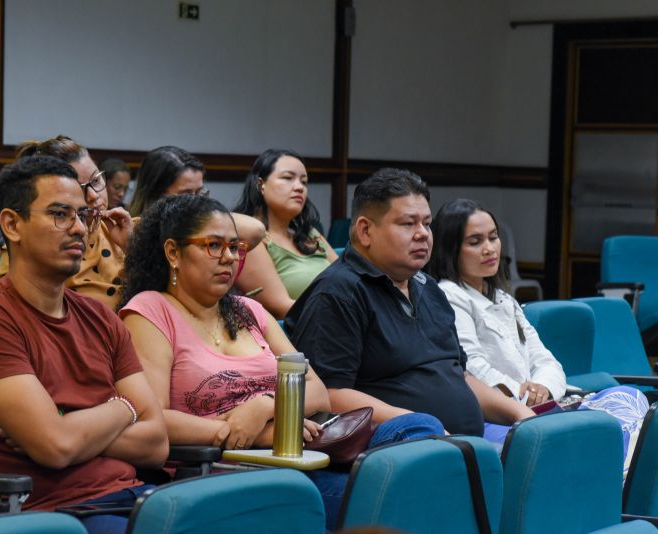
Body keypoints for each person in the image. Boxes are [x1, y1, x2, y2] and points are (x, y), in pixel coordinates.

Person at [119, 194, 444, 530]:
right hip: (230, 469)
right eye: (214, 245)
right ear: (173, 252)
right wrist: (252, 435)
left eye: (235, 248)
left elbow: (318, 392)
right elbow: (152, 419)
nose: (229, 258)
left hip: (305, 451)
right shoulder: (150, 311)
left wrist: (267, 407)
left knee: (422, 429)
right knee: (399, 496)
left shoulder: (249, 311)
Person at [0, 156, 168, 534]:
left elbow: (157, 443)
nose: (79, 228)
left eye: (83, 216)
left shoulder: (101, 318)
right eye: (60, 215)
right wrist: (125, 409)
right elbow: (55, 447)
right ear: (12, 225)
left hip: (136, 497)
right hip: (58, 515)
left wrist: (73, 423)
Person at [286, 168, 536, 440]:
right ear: (365, 231)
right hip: (399, 451)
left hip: (462, 442)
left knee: (546, 438)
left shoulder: (428, 287)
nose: (423, 235)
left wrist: (518, 412)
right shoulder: (338, 292)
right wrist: (418, 424)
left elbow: (458, 377)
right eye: (408, 224)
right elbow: (328, 395)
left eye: (426, 224)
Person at [428, 198, 647, 460]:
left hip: (539, 408)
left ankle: (618, 468)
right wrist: (524, 397)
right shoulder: (449, 295)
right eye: (475, 242)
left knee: (628, 396)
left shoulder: (503, 299)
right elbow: (471, 367)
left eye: (493, 238)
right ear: (451, 249)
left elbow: (545, 359)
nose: (489, 249)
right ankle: (617, 471)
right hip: (499, 417)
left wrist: (542, 388)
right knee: (581, 437)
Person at [0, 135, 132, 310]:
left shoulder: (127, 228)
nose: (94, 195)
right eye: (80, 188)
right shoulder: (30, 246)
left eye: (96, 180)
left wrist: (133, 247)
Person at [233, 149, 338, 318]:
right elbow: (282, 308)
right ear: (261, 184)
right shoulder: (251, 238)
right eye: (288, 178)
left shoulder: (309, 233)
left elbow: (350, 281)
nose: (299, 188)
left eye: (304, 182)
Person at [127, 145, 265, 250]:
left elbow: (256, 230)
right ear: (156, 195)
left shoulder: (198, 226)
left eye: (199, 193)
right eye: (186, 195)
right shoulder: (131, 231)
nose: (196, 203)